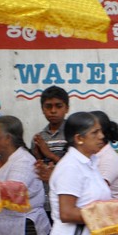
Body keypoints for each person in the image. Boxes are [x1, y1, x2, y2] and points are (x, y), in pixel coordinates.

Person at [31, 86, 70, 217]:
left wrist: (49, 154)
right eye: (48, 106)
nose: (53, 111)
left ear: (67, 108)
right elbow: (37, 169)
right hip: (45, 202)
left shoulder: (73, 134)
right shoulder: (39, 137)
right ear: (43, 109)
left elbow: (75, 168)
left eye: (58, 106)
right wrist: (38, 158)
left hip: (67, 200)